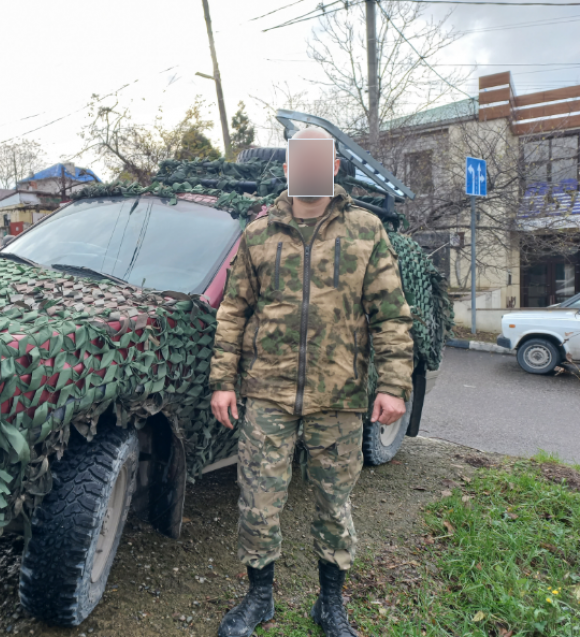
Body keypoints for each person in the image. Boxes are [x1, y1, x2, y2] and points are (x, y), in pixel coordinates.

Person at [209, 127, 414, 637]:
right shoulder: (258, 234)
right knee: (258, 503)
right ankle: (259, 599)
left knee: (334, 504)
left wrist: (392, 385)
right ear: (287, 170)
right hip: (268, 395)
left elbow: (391, 315)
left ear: (334, 168)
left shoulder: (365, 231)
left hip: (340, 396)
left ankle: (330, 603)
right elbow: (233, 311)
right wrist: (223, 381)